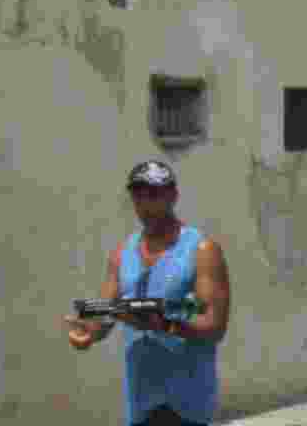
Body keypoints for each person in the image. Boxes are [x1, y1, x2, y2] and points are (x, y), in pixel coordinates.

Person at [63, 160, 231, 426]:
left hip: (188, 401)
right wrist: (87, 332)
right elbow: (107, 312)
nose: (145, 205)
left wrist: (162, 324)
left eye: (154, 195)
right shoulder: (122, 254)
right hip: (141, 400)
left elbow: (214, 326)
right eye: (138, 197)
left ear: (173, 196)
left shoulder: (202, 251)